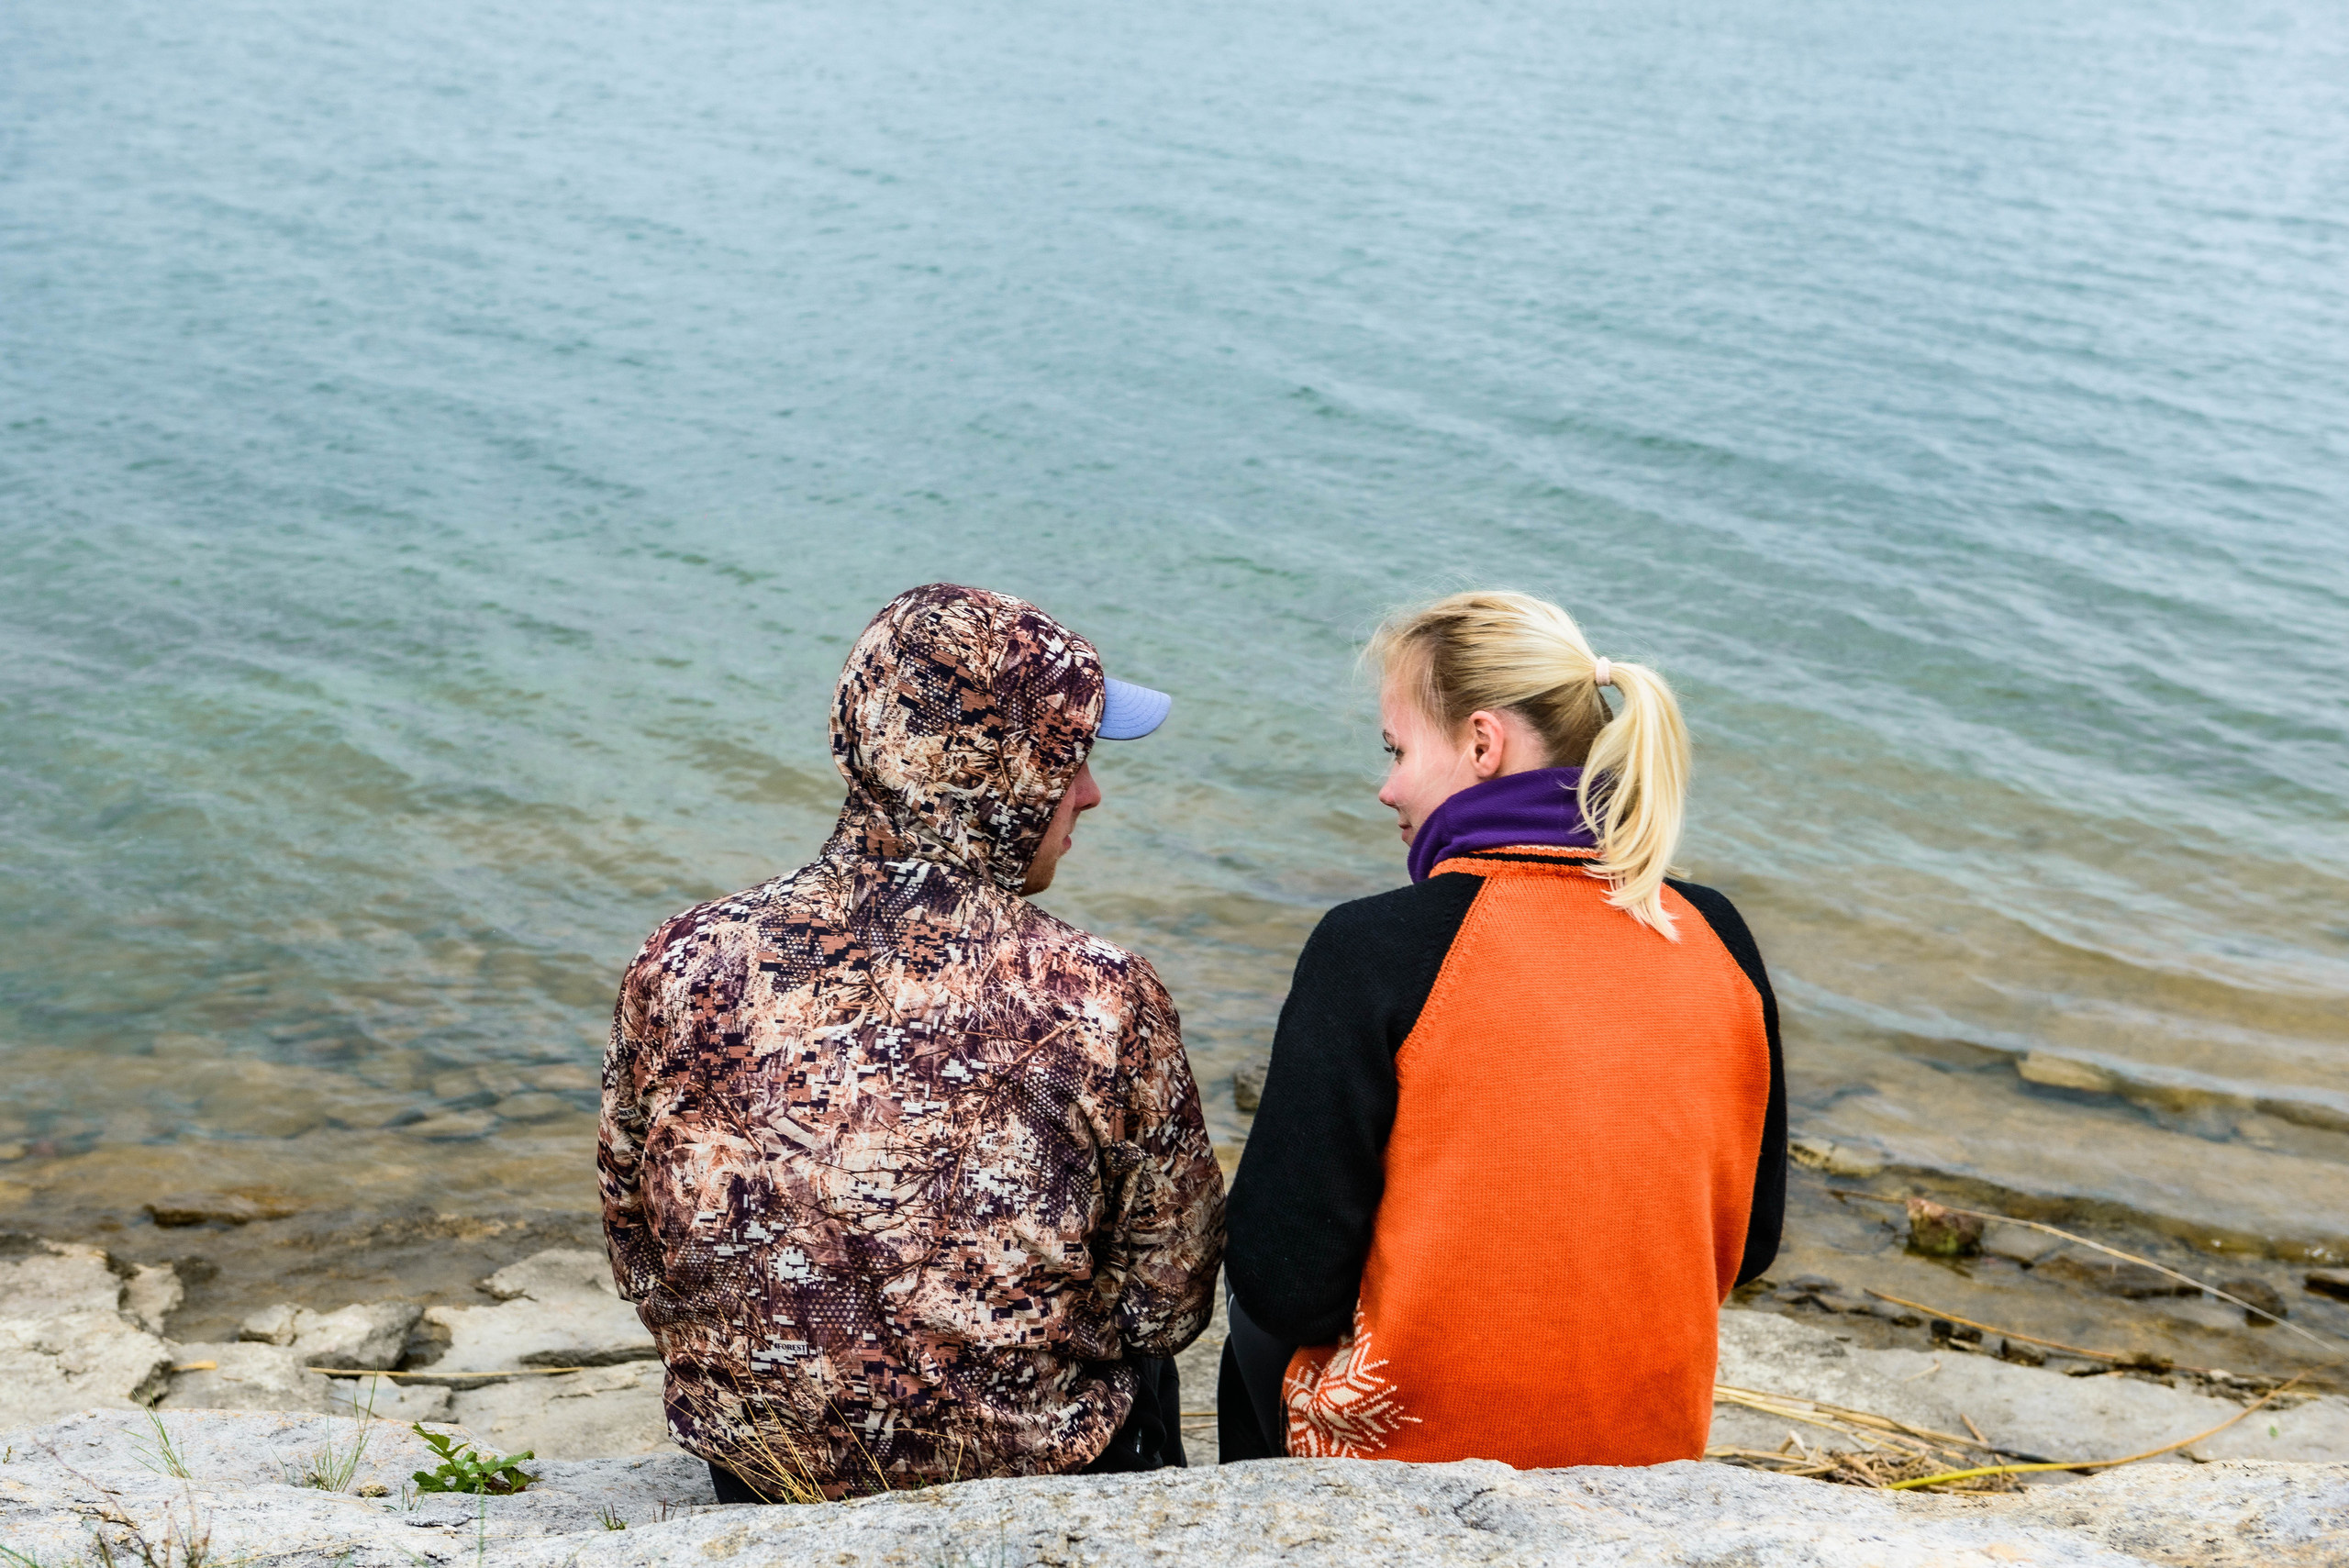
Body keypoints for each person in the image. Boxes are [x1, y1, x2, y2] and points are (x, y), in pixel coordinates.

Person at [599, 583, 1224, 1501]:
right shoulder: (1099, 994)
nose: (1088, 794)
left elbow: (639, 1254)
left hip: (762, 1473)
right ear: (997, 771)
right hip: (1036, 1478)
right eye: (1072, 757)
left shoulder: (684, 959)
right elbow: (1164, 1301)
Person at [1220, 590, 1786, 1467]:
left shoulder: (1374, 945)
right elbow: (1750, 1247)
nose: (1387, 787)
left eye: (1397, 748)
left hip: (1426, 1462)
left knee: (1250, 1340)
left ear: (1483, 744)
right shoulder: (1717, 933)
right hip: (1649, 1452)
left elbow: (1284, 1282)